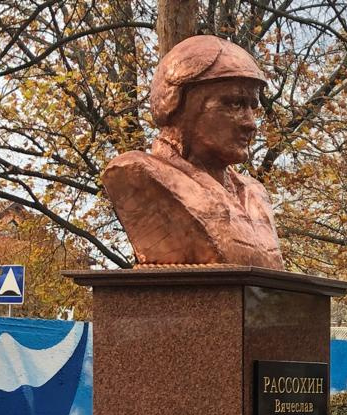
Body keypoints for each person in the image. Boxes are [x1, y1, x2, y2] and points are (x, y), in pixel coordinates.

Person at [102, 35, 285, 268]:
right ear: (179, 105)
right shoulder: (136, 172)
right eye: (234, 104)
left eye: (252, 107)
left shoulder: (254, 193)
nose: (251, 123)